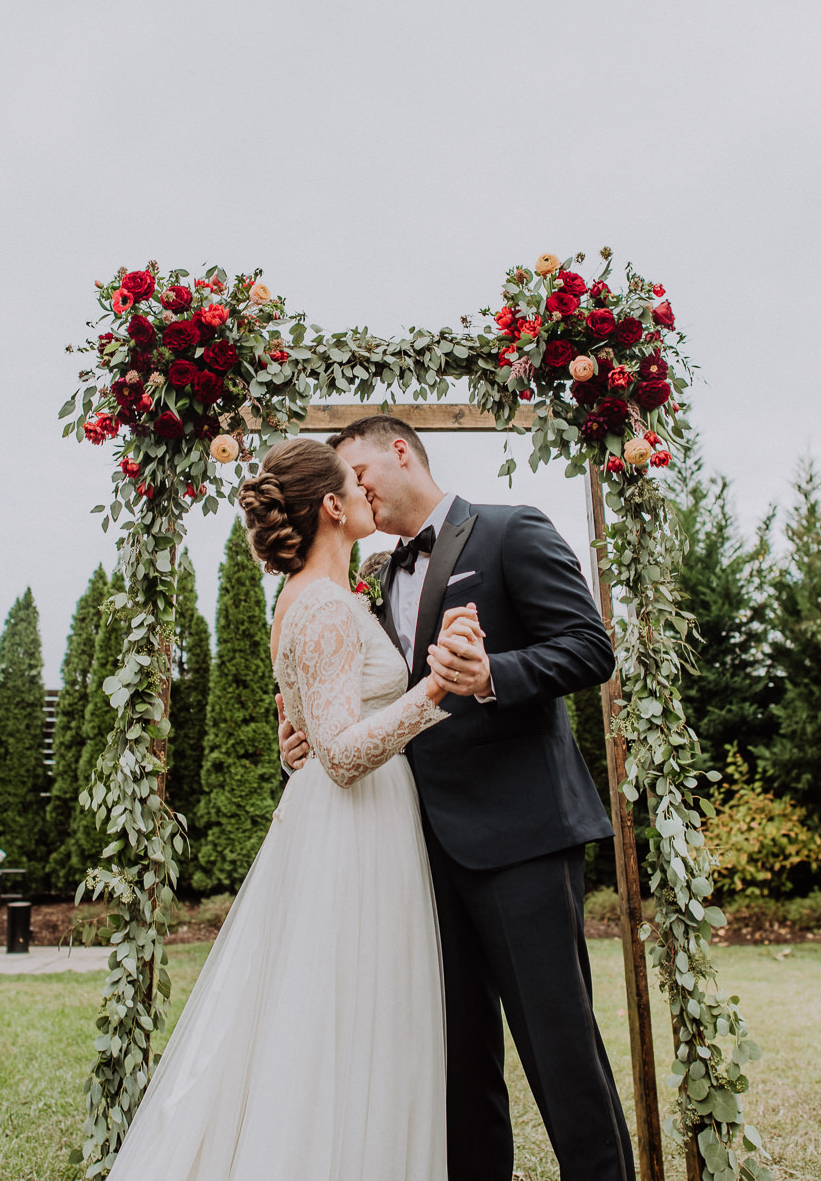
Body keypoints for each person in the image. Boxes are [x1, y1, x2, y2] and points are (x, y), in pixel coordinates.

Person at [111, 437, 481, 1180]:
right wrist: (436, 689)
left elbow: (316, 736)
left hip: (359, 823)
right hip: (355, 829)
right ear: (332, 507)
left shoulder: (324, 598)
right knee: (346, 1021)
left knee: (347, 1020)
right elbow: (342, 756)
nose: (369, 496)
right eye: (355, 484)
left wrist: (299, 743)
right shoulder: (319, 605)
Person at [282, 415, 632, 1181]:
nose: (356, 487)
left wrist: (492, 674)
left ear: (400, 450)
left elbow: (589, 648)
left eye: (360, 469)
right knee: (456, 1061)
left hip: (521, 841)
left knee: (559, 1048)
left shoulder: (510, 531)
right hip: (417, 852)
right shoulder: (368, 579)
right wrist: (305, 734)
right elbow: (367, 697)